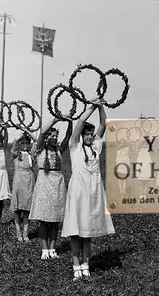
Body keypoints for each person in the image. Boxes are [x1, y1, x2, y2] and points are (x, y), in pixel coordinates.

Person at [61, 99, 115, 281]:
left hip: (93, 192)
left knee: (88, 231)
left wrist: (101, 106)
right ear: (81, 135)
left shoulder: (96, 148)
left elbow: (103, 124)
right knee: (76, 231)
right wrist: (91, 105)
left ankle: (86, 266)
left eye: (92, 135)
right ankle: (76, 267)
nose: (91, 137)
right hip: (79, 192)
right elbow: (79, 124)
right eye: (88, 134)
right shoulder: (74, 146)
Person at [29, 117, 72, 259]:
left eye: (56, 136)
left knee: (55, 219)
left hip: (58, 183)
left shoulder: (59, 149)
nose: (55, 138)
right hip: (44, 183)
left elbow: (67, 137)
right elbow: (41, 134)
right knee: (44, 219)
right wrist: (54, 120)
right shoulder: (40, 148)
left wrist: (70, 122)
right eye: (52, 136)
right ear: (47, 138)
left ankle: (53, 248)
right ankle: (44, 249)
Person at [10, 130, 37, 242]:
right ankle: (18, 233)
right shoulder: (16, 154)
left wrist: (27, 132)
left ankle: (25, 233)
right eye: (23, 143)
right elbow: (15, 141)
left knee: (27, 210)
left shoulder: (31, 154)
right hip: (19, 180)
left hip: (29, 181)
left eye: (26, 143)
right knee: (17, 210)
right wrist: (22, 134)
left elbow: (36, 140)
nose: (25, 145)